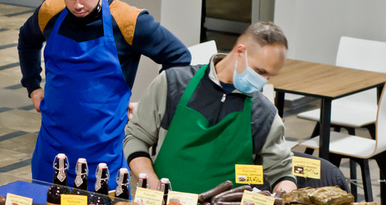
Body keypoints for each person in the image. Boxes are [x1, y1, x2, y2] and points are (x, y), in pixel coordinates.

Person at [17, 0, 191, 188]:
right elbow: (27, 40)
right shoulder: (50, 12)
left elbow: (179, 57)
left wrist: (150, 106)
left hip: (104, 150)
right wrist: (33, 87)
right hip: (52, 145)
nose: (77, 5)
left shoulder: (129, 21)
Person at [124, 21, 298, 195]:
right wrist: (156, 190)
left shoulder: (263, 113)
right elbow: (136, 138)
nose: (263, 79)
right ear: (240, 52)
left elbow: (282, 173)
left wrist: (283, 196)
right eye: (259, 71)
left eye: (269, 75)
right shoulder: (173, 83)